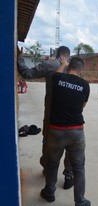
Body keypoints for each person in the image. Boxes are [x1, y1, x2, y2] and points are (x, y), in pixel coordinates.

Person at [17, 46, 73, 189]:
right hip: (72, 114)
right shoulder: (74, 67)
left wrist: (20, 57)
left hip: (52, 112)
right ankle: (69, 175)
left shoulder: (50, 65)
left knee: (49, 141)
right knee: (71, 144)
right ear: (67, 56)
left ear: (56, 54)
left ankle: (48, 169)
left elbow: (27, 73)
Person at [40, 57, 91, 206]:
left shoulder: (58, 78)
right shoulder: (85, 85)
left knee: (52, 163)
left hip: (56, 131)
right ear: (81, 70)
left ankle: (49, 192)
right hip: (76, 131)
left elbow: (57, 73)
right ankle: (80, 201)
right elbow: (82, 106)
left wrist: (62, 64)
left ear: (69, 67)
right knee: (79, 168)